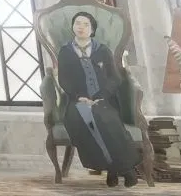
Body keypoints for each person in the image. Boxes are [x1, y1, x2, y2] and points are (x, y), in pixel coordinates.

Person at [56, 10, 141, 188]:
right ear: (73, 26)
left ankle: (119, 169)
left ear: (92, 29)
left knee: (106, 121)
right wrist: (80, 97)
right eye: (77, 23)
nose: (81, 27)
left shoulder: (103, 50)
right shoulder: (65, 52)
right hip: (77, 101)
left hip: (104, 99)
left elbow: (115, 78)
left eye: (86, 24)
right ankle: (117, 168)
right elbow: (64, 79)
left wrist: (101, 96)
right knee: (86, 122)